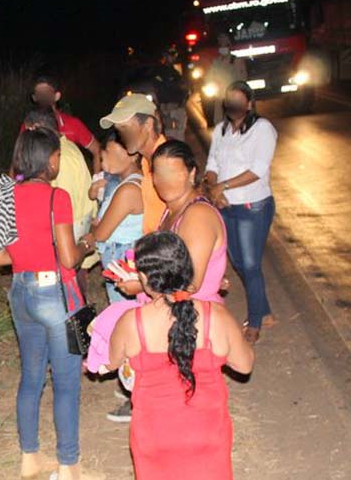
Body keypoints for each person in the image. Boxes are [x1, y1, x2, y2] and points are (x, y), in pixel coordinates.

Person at [103, 231, 254, 480]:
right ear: (186, 269)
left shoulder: (132, 322)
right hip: (205, 429)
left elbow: (111, 364)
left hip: (154, 431)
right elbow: (244, 365)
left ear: (146, 279)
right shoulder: (214, 316)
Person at [0, 126, 105, 480]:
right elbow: (69, 256)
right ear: (47, 159)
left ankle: (30, 457)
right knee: (67, 383)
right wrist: (88, 241)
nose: (58, 161)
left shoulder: (6, 197)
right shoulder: (58, 198)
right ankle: (69, 468)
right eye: (56, 155)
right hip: (57, 295)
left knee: (31, 377)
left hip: (21, 292)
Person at [89, 140, 228, 423]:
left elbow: (190, 283)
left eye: (172, 172)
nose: (163, 181)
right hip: (169, 310)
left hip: (190, 317)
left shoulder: (197, 215)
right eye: (158, 173)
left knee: (178, 405)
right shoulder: (172, 209)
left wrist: (139, 285)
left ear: (191, 173)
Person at [206, 81, 278, 345]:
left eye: (238, 100)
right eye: (229, 100)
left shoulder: (263, 130)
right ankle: (266, 310)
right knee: (239, 262)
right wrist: (214, 187)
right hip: (225, 204)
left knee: (250, 264)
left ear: (249, 104)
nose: (233, 105)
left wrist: (221, 186)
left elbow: (258, 170)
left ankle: (255, 320)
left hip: (252, 206)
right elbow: (212, 163)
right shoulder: (221, 130)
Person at [24, 109, 98, 299]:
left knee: (68, 293)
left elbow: (60, 211)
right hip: (75, 229)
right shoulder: (64, 148)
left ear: (36, 129)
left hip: (70, 233)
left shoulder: (60, 162)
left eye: (28, 132)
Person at [87, 132, 144, 305]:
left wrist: (94, 227)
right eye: (105, 154)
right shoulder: (124, 183)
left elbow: (102, 234)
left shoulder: (128, 190)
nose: (107, 159)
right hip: (123, 255)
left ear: (133, 156)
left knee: (122, 310)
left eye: (111, 153)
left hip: (121, 258)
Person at [99, 94, 166, 235]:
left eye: (125, 127)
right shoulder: (145, 162)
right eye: (118, 130)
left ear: (148, 124)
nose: (122, 136)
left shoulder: (167, 162)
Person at [28, 75, 102, 173]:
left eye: (46, 93)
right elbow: (18, 159)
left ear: (57, 96)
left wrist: (96, 181)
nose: (43, 97)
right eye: (39, 94)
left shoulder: (73, 124)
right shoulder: (29, 125)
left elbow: (97, 150)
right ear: (34, 98)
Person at [155, 48, 189, 141]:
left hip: (178, 105)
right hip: (168, 105)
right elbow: (162, 89)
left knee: (180, 131)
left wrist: (184, 97)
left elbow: (183, 86)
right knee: (170, 132)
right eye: (171, 55)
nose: (173, 58)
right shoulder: (161, 71)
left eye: (174, 55)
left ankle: (180, 150)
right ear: (165, 57)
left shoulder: (175, 70)